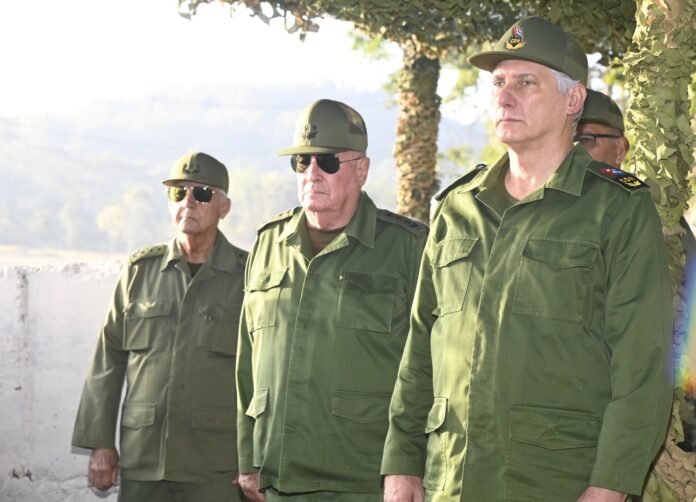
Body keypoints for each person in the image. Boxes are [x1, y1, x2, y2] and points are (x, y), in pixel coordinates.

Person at [381, 16, 673, 502]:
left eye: (525, 82)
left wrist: (610, 485)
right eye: (498, 82)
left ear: (573, 100)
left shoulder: (616, 207)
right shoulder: (458, 208)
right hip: (450, 480)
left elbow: (643, 364)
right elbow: (420, 348)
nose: (504, 96)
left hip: (555, 483)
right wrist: (400, 464)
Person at [236, 98, 428, 502]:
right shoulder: (269, 244)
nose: (312, 173)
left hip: (364, 479)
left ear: (362, 170)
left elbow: (429, 364)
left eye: (327, 161)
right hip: (278, 476)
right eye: (301, 162)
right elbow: (247, 360)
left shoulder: (407, 248)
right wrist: (247, 457)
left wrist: (409, 464)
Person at [72, 151, 248, 502]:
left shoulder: (247, 277)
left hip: (216, 464)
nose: (188, 202)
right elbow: (108, 359)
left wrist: (254, 458)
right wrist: (100, 442)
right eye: (178, 193)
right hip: (144, 458)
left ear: (224, 208)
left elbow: (262, 373)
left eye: (202, 194)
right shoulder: (141, 272)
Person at [577, 89, 696, 257]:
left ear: (619, 149)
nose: (572, 150)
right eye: (565, 140)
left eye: (585, 140)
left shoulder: (644, 207)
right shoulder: (548, 202)